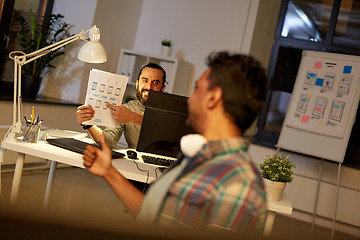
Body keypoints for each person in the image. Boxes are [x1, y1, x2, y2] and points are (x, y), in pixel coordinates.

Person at [82, 51, 268, 234]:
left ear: (213, 98)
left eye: (197, 89)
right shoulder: (197, 159)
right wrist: (109, 172)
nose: (190, 99)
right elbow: (151, 215)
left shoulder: (238, 185)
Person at [76, 63, 166, 149]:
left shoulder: (172, 112)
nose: (149, 87)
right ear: (137, 84)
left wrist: (133, 117)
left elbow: (165, 130)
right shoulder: (127, 109)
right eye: (145, 81)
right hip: (135, 164)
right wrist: (89, 125)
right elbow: (109, 141)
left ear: (163, 88)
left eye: (155, 83)